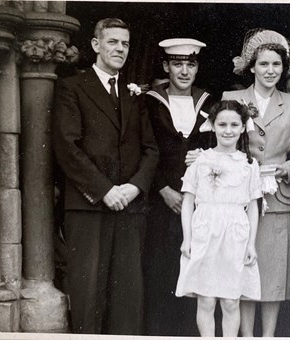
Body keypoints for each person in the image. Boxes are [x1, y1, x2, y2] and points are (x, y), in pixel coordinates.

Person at [52, 18, 158, 334]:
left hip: (129, 206)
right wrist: (104, 190)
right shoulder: (73, 87)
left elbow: (150, 149)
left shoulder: (134, 94)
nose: (120, 49)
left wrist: (134, 188)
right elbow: (66, 147)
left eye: (125, 43)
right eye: (112, 42)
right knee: (89, 293)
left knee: (128, 294)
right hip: (89, 206)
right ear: (96, 45)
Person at [222, 28, 290, 336]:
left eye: (276, 65)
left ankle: (268, 335)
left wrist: (284, 169)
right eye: (264, 64)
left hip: (278, 197)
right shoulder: (232, 99)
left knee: (273, 272)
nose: (270, 71)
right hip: (240, 198)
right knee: (245, 269)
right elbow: (222, 146)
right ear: (252, 67)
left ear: (284, 68)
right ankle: (246, 335)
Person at [143, 38, 215, 336]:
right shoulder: (150, 101)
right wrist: (162, 188)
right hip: (160, 201)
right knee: (160, 271)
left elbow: (222, 147)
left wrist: (206, 155)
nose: (184, 71)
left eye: (191, 64)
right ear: (165, 66)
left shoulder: (209, 102)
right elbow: (141, 148)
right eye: (177, 64)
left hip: (199, 203)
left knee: (195, 272)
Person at [175, 100, 262, 337]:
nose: (228, 130)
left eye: (235, 124)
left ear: (243, 127)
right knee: (206, 300)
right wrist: (187, 239)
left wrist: (251, 243)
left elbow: (253, 206)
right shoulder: (200, 160)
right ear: (212, 126)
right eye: (222, 124)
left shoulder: (248, 165)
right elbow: (188, 202)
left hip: (235, 234)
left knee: (231, 301)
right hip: (205, 232)